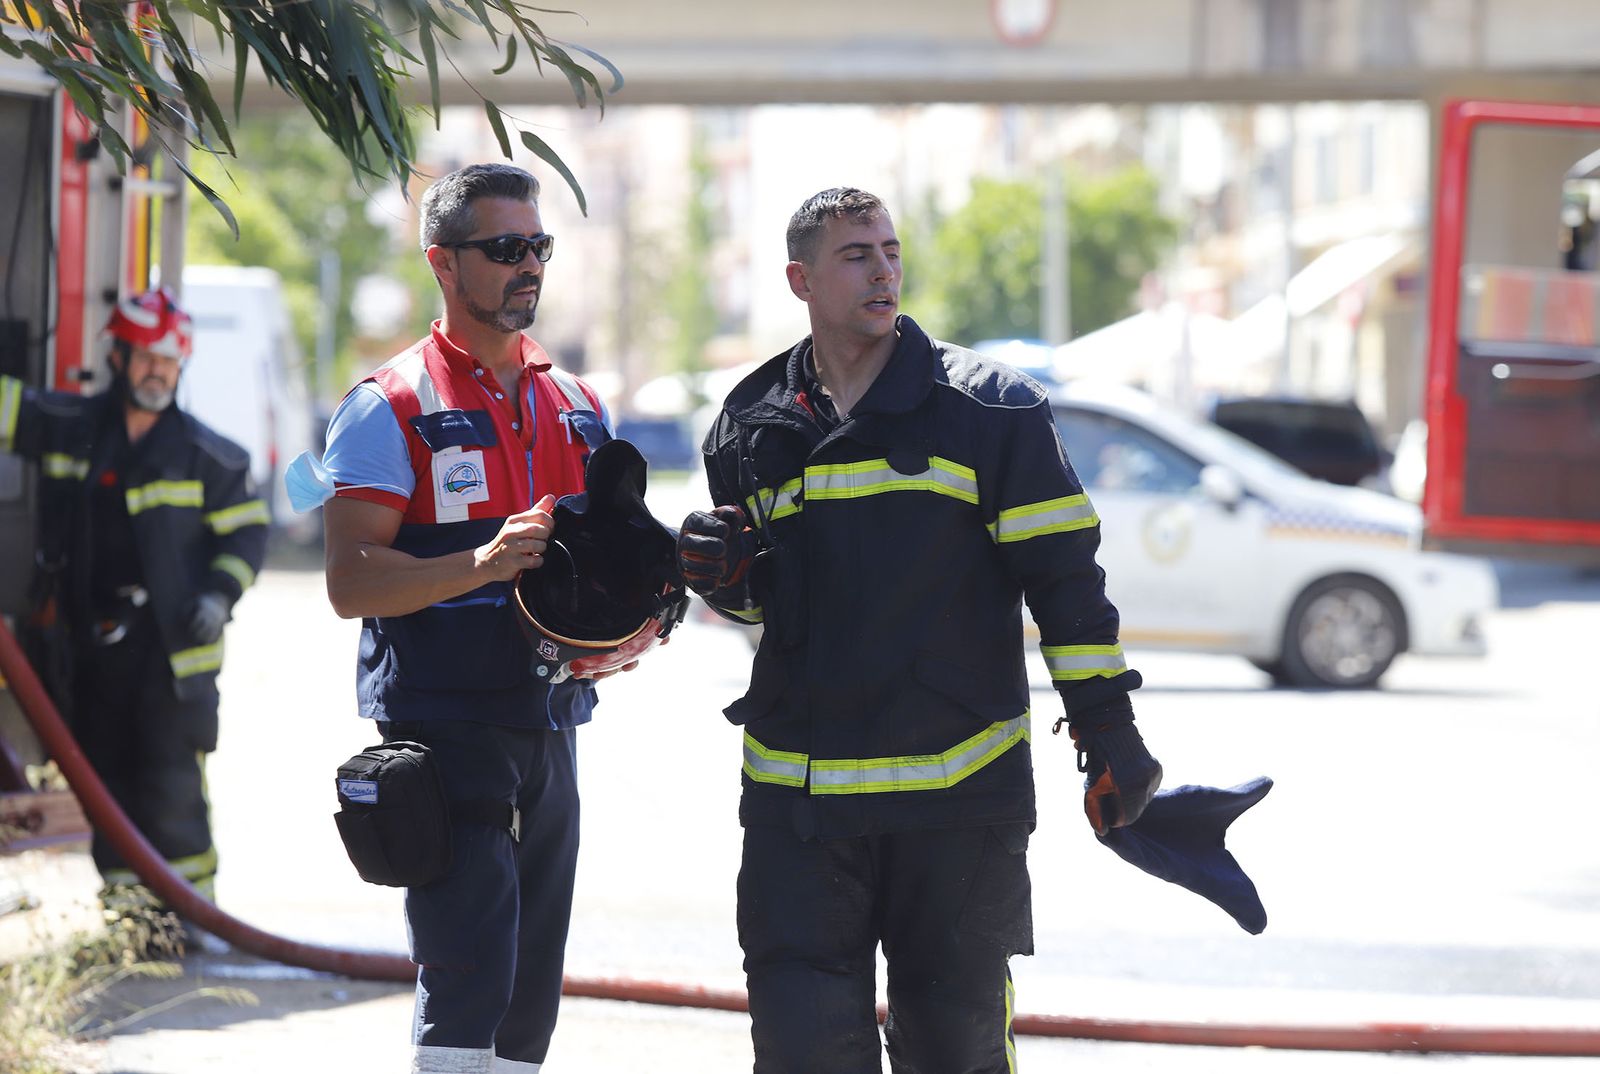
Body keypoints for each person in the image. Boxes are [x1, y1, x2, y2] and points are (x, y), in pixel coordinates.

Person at [677, 187, 1164, 1072]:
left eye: (891, 251)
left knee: (954, 1056)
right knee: (803, 1057)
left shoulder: (990, 412)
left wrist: (1108, 729)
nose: (884, 270)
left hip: (955, 810)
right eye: (857, 254)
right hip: (799, 812)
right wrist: (727, 578)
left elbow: (1065, 586)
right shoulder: (749, 425)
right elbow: (758, 610)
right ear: (802, 279)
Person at [317, 163, 621, 1074]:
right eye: (505, 249)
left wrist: (623, 633)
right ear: (443, 264)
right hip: (444, 727)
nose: (529, 265)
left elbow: (596, 569)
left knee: (531, 997)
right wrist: (478, 564)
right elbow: (349, 582)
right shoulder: (389, 405)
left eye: (539, 247)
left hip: (553, 722)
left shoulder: (575, 403)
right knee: (468, 982)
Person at [0, 286, 268, 910]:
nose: (158, 372)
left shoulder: (211, 457)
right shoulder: (72, 429)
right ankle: (131, 924)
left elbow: (248, 534)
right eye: (146, 358)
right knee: (106, 784)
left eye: (170, 362)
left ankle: (188, 916)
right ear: (117, 358)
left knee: (170, 786)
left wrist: (217, 595)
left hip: (169, 654)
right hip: (88, 650)